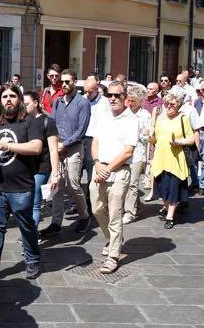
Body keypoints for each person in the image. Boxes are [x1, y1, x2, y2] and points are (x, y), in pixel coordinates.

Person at [0, 85, 44, 280]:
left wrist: (7, 145)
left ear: (19, 99)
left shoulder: (31, 122)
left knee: (26, 225)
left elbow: (36, 148)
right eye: (4, 96)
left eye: (13, 96)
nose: (8, 99)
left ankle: (32, 261)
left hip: (21, 187)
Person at [90, 81, 139, 274]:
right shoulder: (101, 116)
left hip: (119, 171)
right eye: (109, 95)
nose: (112, 98)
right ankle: (112, 238)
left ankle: (113, 256)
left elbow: (128, 152)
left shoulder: (131, 120)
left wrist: (107, 168)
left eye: (117, 95)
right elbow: (95, 141)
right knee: (97, 209)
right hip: (99, 167)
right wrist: (97, 163)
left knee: (115, 214)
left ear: (125, 97)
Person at [44, 69, 91, 235]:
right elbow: (52, 122)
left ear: (75, 82)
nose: (63, 84)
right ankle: (56, 223)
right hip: (57, 147)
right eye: (62, 82)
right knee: (57, 185)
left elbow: (81, 130)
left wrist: (64, 145)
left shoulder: (82, 103)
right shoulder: (57, 102)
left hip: (73, 148)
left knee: (73, 184)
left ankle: (84, 216)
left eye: (67, 82)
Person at [150, 93, 197, 229]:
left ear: (179, 105)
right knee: (162, 188)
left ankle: (170, 216)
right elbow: (154, 140)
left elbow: (191, 138)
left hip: (176, 159)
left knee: (173, 188)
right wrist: (149, 135)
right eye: (167, 104)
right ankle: (167, 207)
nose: (169, 106)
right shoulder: (160, 119)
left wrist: (179, 142)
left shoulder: (183, 118)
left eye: (172, 104)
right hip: (160, 158)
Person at [23, 91, 60, 228]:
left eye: (27, 104)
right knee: (26, 202)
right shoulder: (23, 120)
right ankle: (29, 233)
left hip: (42, 167)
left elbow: (53, 150)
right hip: (26, 167)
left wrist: (55, 174)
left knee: (35, 202)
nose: (24, 107)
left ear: (36, 103)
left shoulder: (47, 121)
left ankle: (31, 235)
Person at [123, 85, 152, 222]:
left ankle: (130, 212)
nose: (129, 103)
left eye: (133, 101)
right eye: (128, 100)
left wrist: (142, 134)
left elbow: (147, 136)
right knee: (125, 182)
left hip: (138, 154)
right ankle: (137, 207)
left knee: (132, 184)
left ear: (140, 101)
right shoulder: (125, 112)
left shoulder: (145, 115)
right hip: (124, 152)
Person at [82, 75, 112, 204]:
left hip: (94, 140)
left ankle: (90, 201)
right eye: (86, 91)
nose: (88, 94)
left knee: (91, 171)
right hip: (80, 138)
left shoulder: (105, 102)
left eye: (91, 92)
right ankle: (78, 201)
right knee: (75, 173)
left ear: (97, 88)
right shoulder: (81, 100)